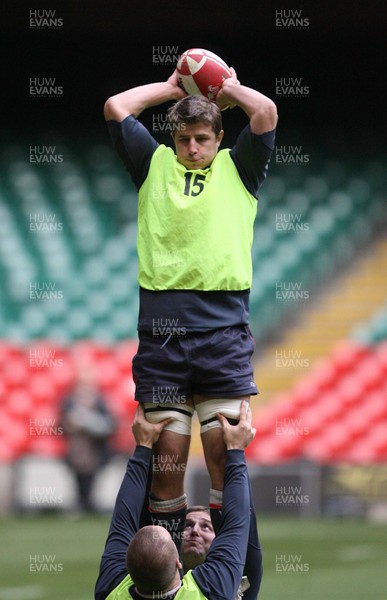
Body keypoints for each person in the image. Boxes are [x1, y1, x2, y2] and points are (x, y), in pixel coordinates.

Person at [104, 65, 277, 546]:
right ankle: (167, 583)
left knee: (226, 463)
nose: (192, 148)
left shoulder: (239, 168)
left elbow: (264, 112)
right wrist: (172, 88)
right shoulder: (152, 164)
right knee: (166, 468)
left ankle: (234, 582)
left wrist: (226, 88)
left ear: (220, 138)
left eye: (202, 138)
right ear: (174, 139)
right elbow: (116, 107)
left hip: (223, 333)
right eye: (184, 139)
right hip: (161, 336)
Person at [95, 400, 256, 600]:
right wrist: (236, 450)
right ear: (178, 563)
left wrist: (236, 451)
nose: (193, 531)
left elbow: (123, 519)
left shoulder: (213, 592)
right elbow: (238, 524)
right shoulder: (107, 590)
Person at [60, 366, 116, 512]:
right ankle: (80, 503)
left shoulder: (100, 399)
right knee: (77, 478)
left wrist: (88, 422)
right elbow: (62, 423)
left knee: (92, 478)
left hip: (95, 448)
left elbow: (110, 424)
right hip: (76, 448)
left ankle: (89, 503)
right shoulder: (69, 399)